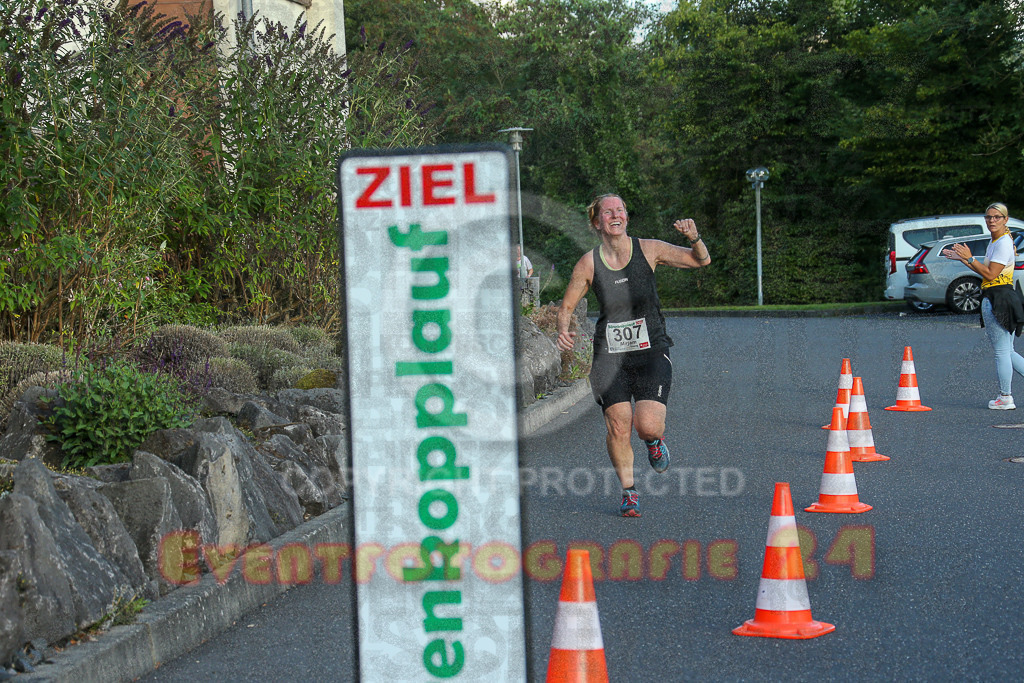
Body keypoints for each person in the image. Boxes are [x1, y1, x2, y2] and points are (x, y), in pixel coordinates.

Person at [555, 193, 711, 517]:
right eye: (608, 212)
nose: (616, 215)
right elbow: (567, 307)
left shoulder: (649, 249)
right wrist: (563, 330)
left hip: (651, 351)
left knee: (647, 426)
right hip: (609, 357)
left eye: (620, 210)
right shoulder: (588, 263)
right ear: (596, 222)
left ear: (626, 216)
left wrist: (694, 238)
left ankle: (654, 442)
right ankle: (629, 492)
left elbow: (700, 260)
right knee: (618, 425)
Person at [941, 202, 1024, 409]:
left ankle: (1005, 397)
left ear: (1006, 220)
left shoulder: (1002, 243)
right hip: (1002, 296)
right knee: (1008, 351)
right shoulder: (996, 241)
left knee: (1002, 352)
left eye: (997, 217)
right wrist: (964, 259)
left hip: (998, 298)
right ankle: (1005, 396)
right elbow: (985, 269)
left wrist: (969, 257)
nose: (992, 220)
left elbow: (990, 274)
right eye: (988, 217)